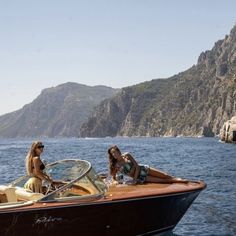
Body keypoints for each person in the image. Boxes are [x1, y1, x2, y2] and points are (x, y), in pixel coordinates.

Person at [108, 145, 188, 185]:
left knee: (165, 175)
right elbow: (114, 177)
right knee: (162, 181)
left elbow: (137, 166)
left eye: (115, 152)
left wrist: (134, 180)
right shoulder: (116, 165)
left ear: (119, 151)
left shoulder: (127, 155)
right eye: (112, 153)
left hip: (143, 169)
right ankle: (180, 182)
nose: (114, 154)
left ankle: (180, 180)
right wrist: (116, 182)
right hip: (141, 177)